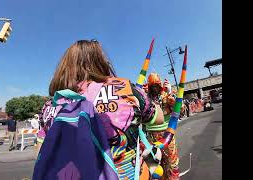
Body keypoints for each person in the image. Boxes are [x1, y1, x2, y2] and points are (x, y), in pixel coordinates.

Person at [36, 39, 165, 179]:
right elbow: (158, 118)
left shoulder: (50, 106)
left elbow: (42, 152)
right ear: (100, 61)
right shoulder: (123, 88)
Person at [144, 73, 181, 180]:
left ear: (160, 85)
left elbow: (180, 108)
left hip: (167, 134)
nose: (154, 88)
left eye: (156, 85)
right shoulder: (145, 98)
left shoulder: (166, 95)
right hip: (150, 136)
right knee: (155, 165)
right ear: (149, 86)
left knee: (171, 162)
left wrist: (170, 93)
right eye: (152, 85)